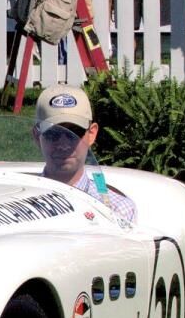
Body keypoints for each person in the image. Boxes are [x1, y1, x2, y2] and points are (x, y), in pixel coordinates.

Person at [32, 84, 137, 222]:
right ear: (36, 136)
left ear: (92, 134)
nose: (63, 145)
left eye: (74, 132)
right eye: (54, 133)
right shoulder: (17, 206)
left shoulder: (117, 210)